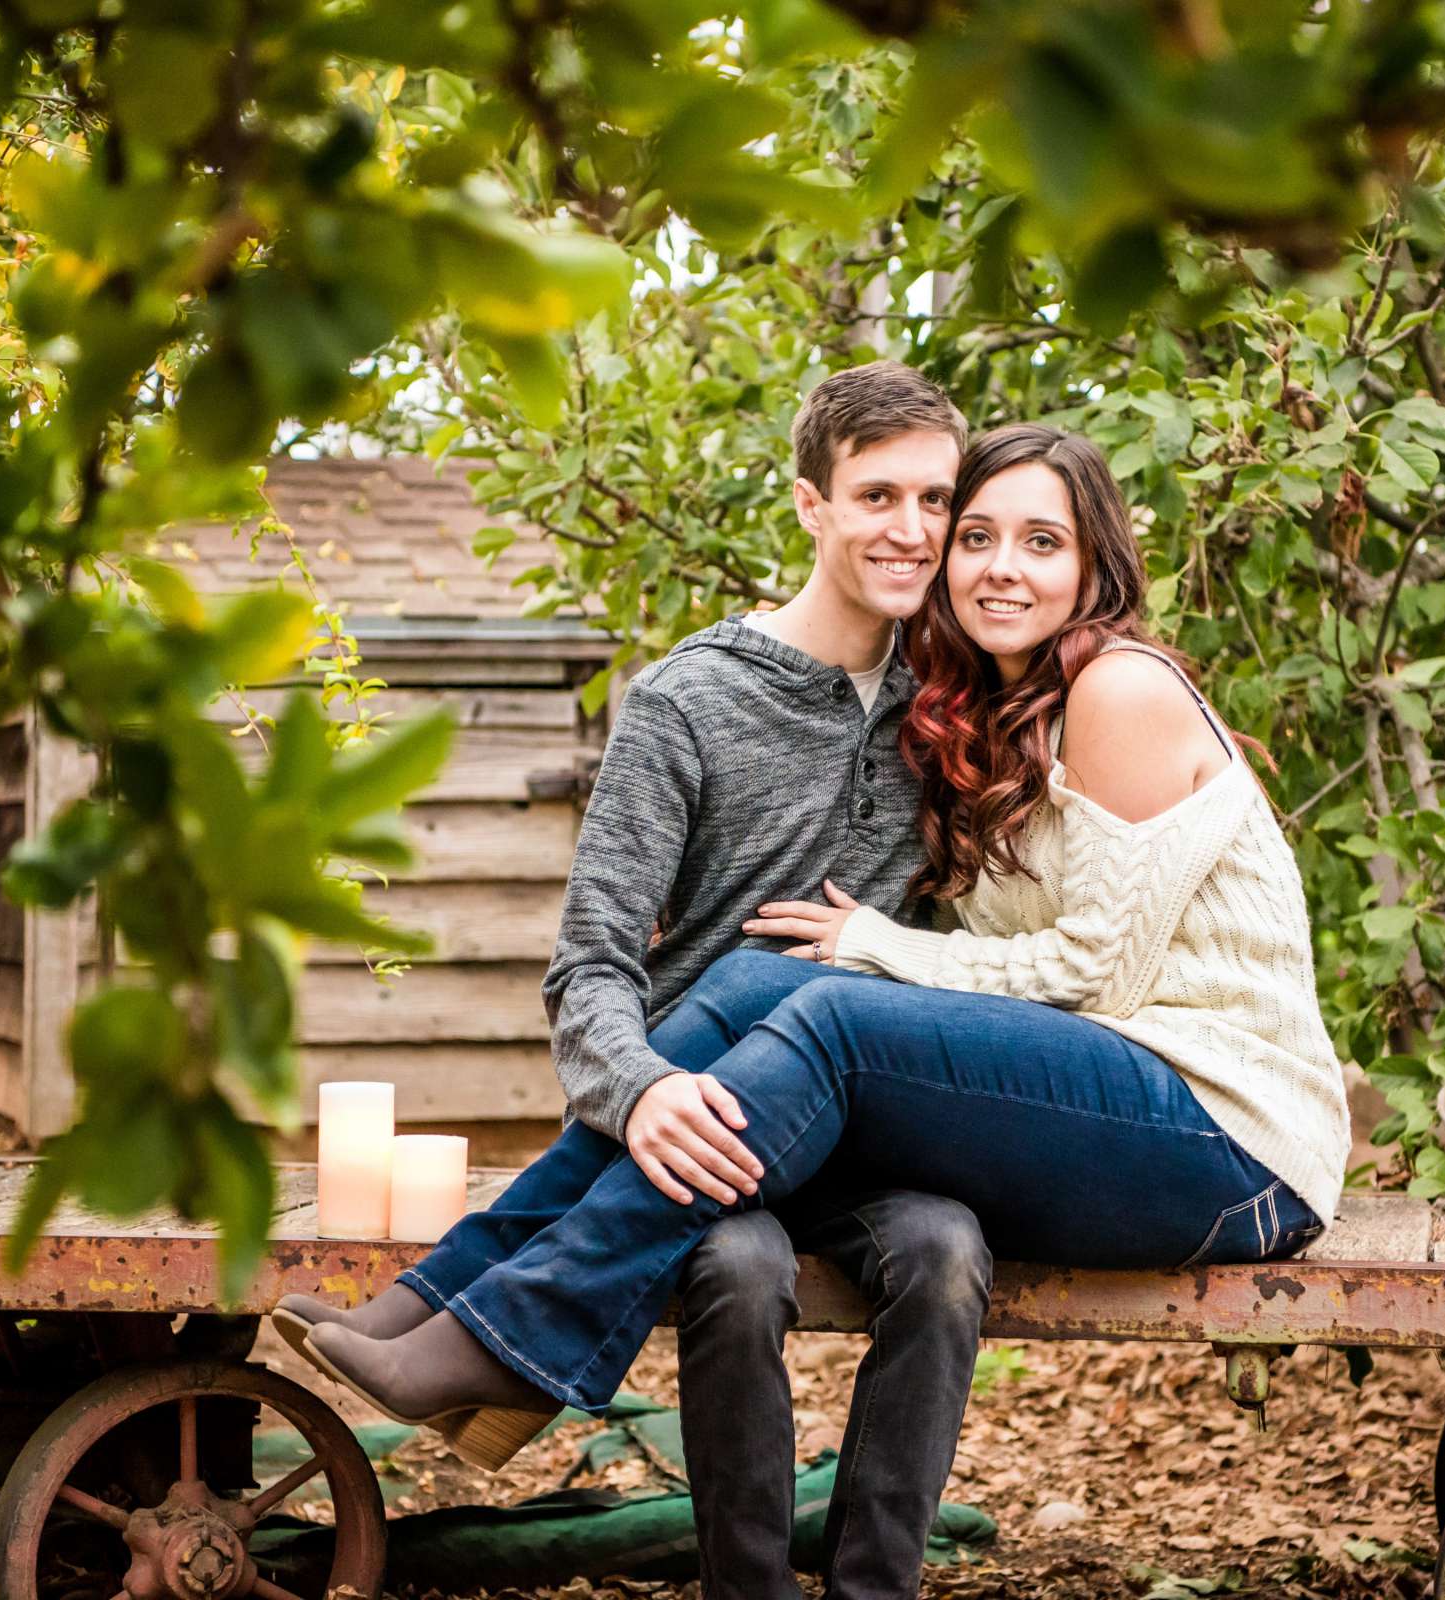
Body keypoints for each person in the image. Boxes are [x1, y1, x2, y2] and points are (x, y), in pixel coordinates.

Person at [285, 420, 1351, 1539]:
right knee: (760, 982)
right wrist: (668, 1064)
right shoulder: (985, 716)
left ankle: (517, 1340)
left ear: (1096, 567)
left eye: (1043, 541)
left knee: (831, 1003)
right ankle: (442, 1304)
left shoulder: (1118, 688)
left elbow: (1099, 972)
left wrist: (874, 946)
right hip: (1128, 1111)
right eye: (977, 534)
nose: (997, 563)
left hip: (1231, 1142)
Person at [277, 360, 994, 1600]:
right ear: (810, 504)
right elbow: (591, 964)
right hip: (703, 1131)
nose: (914, 531)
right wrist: (644, 1087)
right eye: (880, 495)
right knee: (737, 1265)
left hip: (872, 1131)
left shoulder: (955, 707)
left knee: (946, 1247)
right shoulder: (687, 701)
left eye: (936, 500)